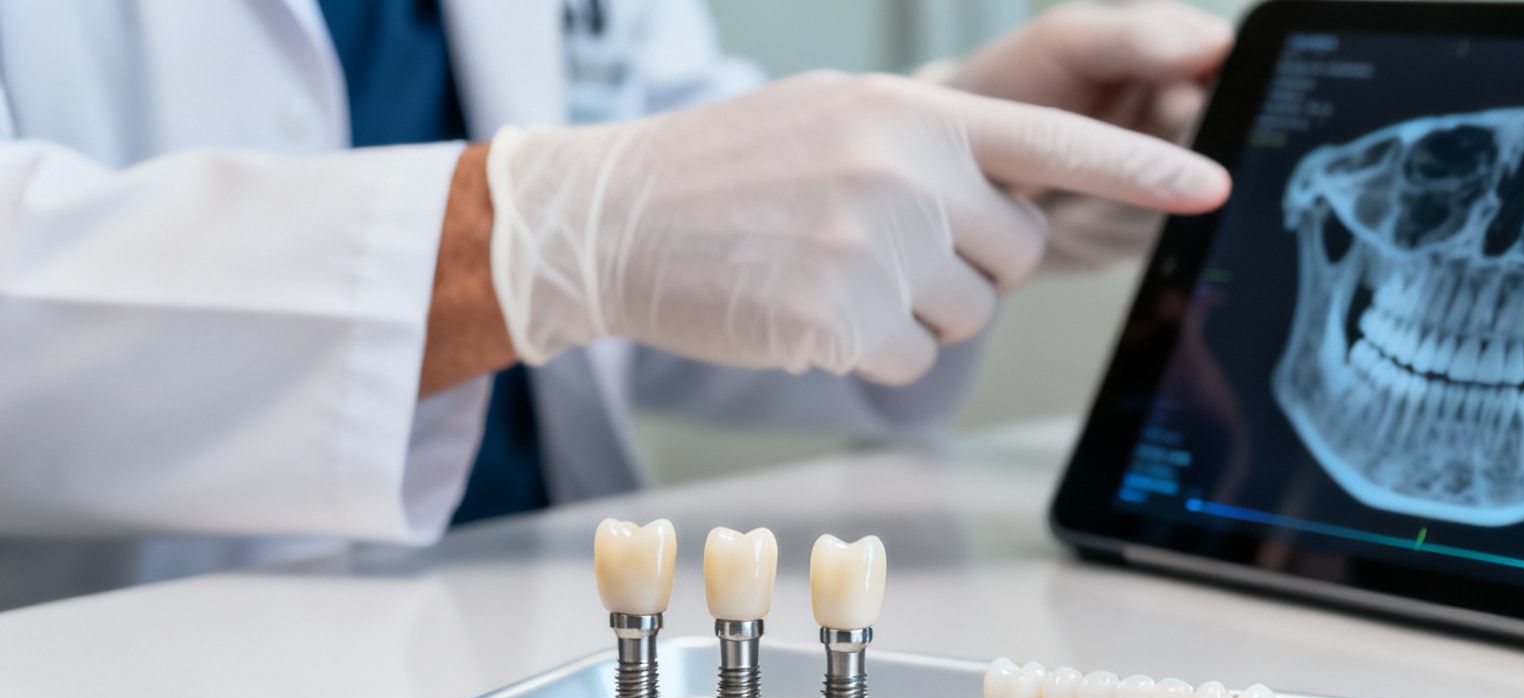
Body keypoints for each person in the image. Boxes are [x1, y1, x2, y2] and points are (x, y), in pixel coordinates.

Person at [0, 0, 1234, 610]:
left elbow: (659, 200)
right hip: (103, 672)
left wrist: (949, 176)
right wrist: (529, 231)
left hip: (537, 635)